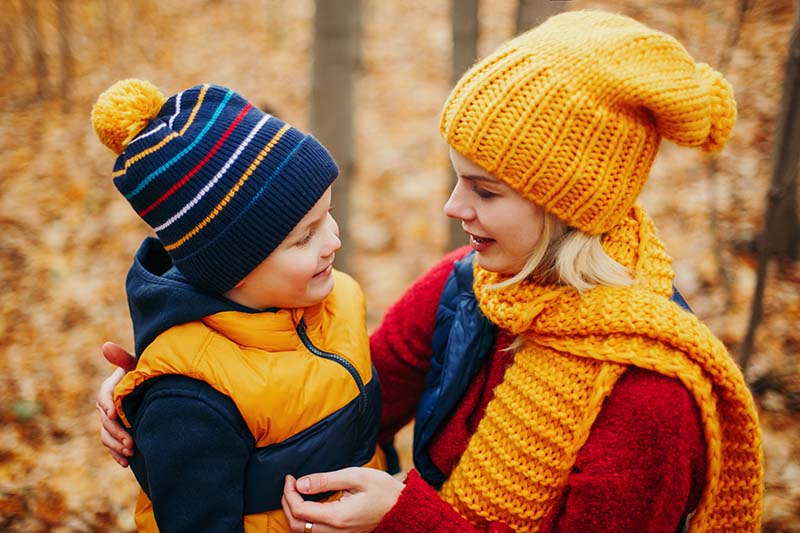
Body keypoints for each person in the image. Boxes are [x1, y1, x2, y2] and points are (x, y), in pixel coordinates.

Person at [98, 11, 764, 533]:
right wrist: (171, 402)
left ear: (568, 203)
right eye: (456, 178)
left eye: (486, 190)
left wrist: (404, 519)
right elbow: (339, 394)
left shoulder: (651, 399)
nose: (453, 207)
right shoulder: (470, 289)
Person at [90, 78, 385, 532]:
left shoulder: (337, 296)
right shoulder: (190, 399)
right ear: (234, 268)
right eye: (305, 236)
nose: (333, 240)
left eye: (327, 215)